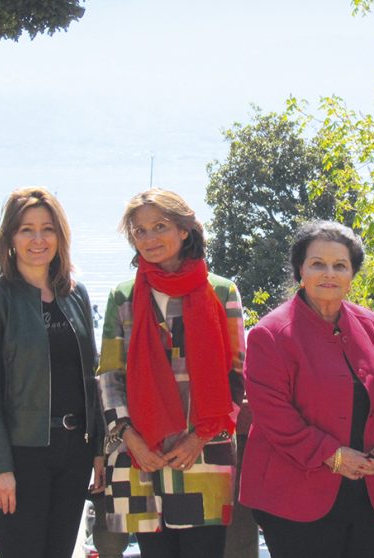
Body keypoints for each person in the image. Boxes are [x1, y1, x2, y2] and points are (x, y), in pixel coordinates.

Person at [239, 220, 374, 558]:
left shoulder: (371, 326)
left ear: (352, 276)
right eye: (317, 264)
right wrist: (332, 456)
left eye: (340, 265)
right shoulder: (270, 334)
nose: (329, 273)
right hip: (295, 497)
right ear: (300, 271)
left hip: (367, 495)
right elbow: (274, 417)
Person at [97, 188, 245, 558]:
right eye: (139, 230)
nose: (148, 238)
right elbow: (109, 374)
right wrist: (130, 438)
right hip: (140, 457)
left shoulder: (222, 292)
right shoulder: (124, 297)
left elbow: (236, 376)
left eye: (159, 226)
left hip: (204, 454)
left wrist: (198, 438)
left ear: (184, 230)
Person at [0, 187, 105, 557]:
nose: (38, 239)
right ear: (10, 238)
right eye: (26, 229)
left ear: (60, 236)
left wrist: (97, 450)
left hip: (74, 451)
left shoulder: (75, 295)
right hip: (21, 455)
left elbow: (91, 379)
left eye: (48, 228)